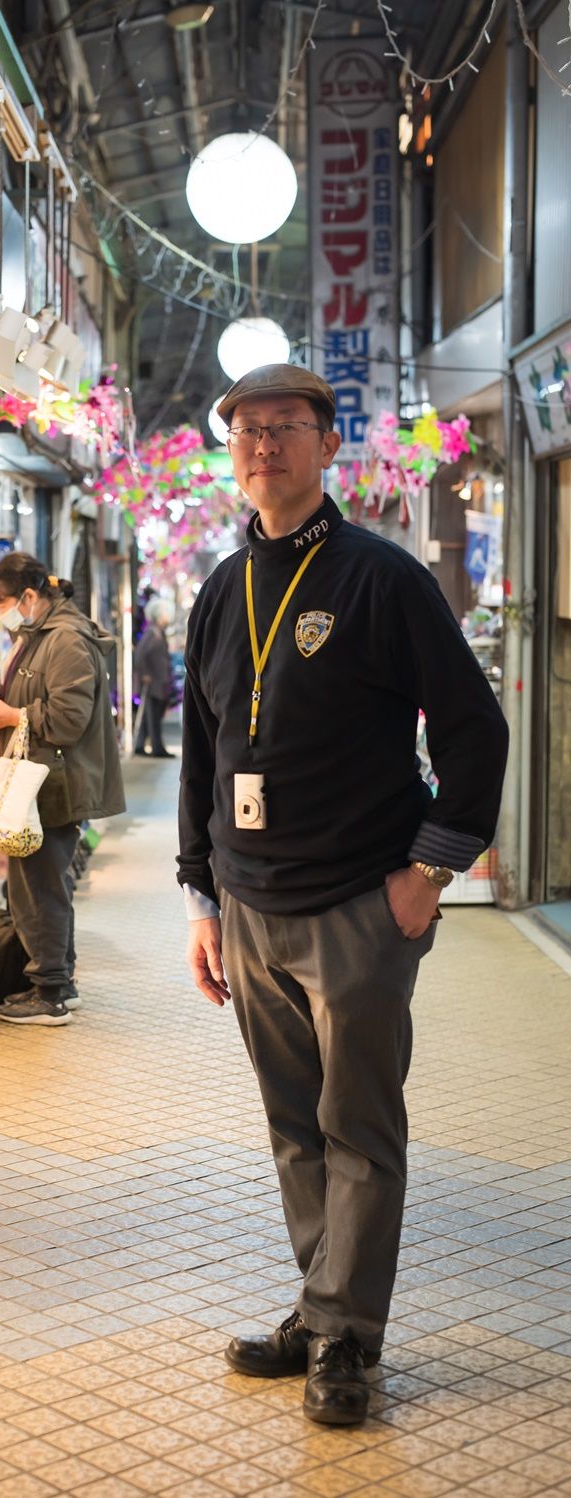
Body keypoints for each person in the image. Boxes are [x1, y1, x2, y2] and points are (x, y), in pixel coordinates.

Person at [178, 364, 508, 1427]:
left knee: (357, 1131)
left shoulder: (381, 576)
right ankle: (324, 1310)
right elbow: (201, 753)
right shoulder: (221, 590)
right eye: (246, 430)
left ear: (327, 447)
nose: (262, 444)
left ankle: (347, 1345)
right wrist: (198, 897)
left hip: (357, 910)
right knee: (293, 1130)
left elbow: (474, 728)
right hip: (249, 907)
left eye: (284, 427)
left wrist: (429, 871)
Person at [0, 553, 125, 1026]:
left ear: (30, 596)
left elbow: (68, 718)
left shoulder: (66, 639)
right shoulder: (39, 634)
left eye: (3, 604)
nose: (2, 615)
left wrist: (11, 717)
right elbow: (29, 688)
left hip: (56, 784)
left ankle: (49, 992)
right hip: (44, 781)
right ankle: (60, 984)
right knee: (40, 884)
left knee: (38, 889)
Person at [133, 600, 174, 758]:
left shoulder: (157, 632)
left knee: (149, 716)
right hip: (153, 682)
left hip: (158, 681)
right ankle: (157, 747)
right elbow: (140, 655)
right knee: (153, 716)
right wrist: (144, 674)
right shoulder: (153, 633)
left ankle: (140, 745)